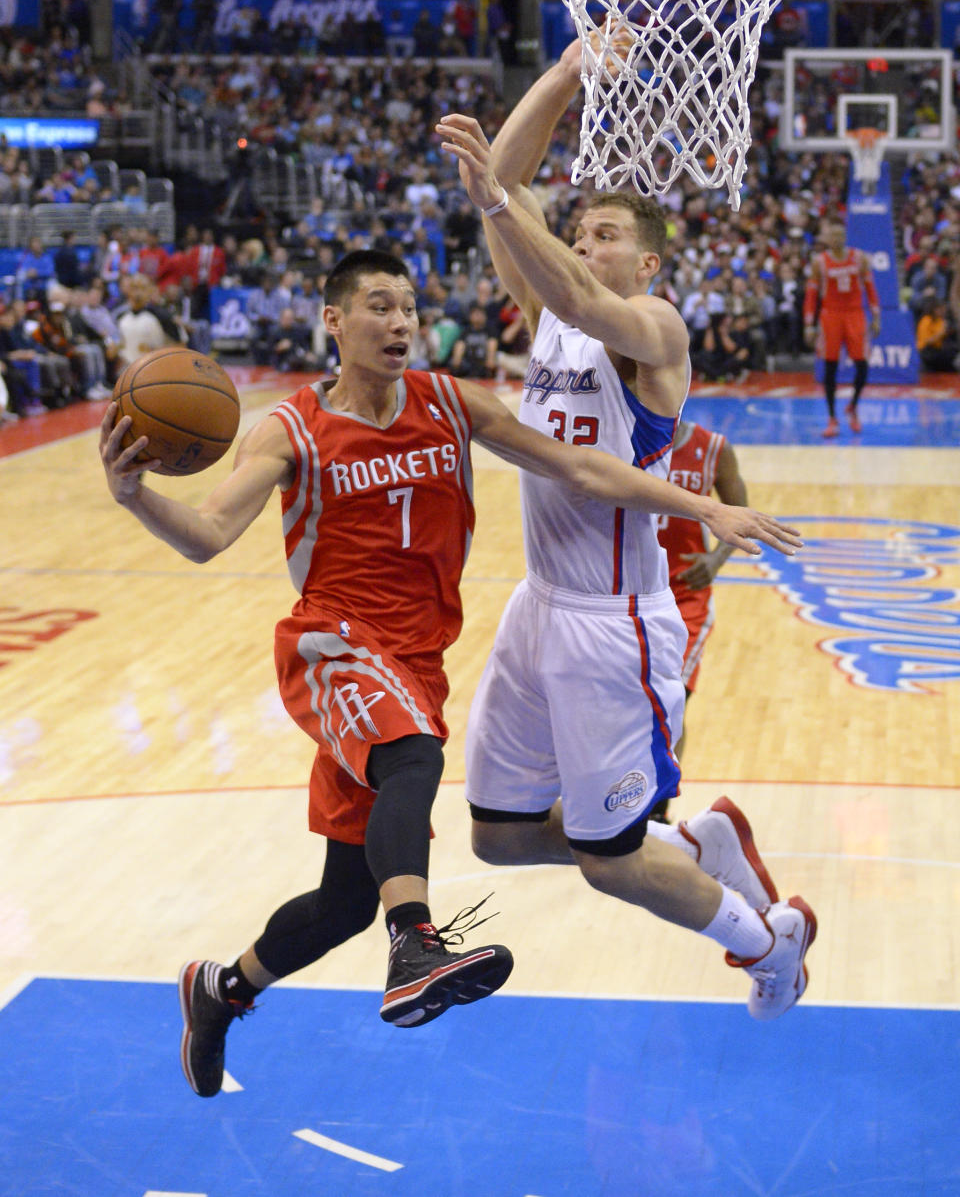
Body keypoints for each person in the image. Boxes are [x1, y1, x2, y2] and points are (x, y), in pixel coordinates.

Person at [99, 248, 801, 1097]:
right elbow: (209, 533)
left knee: (344, 899)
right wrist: (135, 495)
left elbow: (579, 466)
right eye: (378, 308)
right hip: (336, 647)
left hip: (415, 657)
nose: (400, 323)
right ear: (333, 321)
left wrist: (703, 506)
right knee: (414, 758)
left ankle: (222, 990)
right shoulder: (290, 430)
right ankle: (416, 944)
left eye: (409, 308)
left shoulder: (451, 402)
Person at [435, 35, 816, 1027]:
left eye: (605, 232)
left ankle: (768, 939)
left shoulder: (656, 327)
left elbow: (565, 274)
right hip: (539, 606)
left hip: (619, 620)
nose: (586, 239)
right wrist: (564, 75)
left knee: (607, 863)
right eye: (582, 226)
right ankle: (696, 850)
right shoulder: (549, 315)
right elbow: (506, 187)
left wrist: (499, 199)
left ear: (644, 260)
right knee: (500, 834)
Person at [650, 419, 749, 822]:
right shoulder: (622, 436)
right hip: (628, 593)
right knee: (629, 706)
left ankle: (658, 811)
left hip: (685, 595)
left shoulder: (714, 449)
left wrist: (717, 558)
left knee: (672, 702)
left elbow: (738, 513)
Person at [803, 218, 880, 438]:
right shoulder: (820, 262)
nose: (835, 239)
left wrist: (876, 316)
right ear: (827, 239)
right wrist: (809, 324)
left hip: (855, 314)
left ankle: (853, 406)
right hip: (831, 316)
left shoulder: (860, 258)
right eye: (831, 236)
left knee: (862, 366)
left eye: (839, 235)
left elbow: (871, 289)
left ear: (845, 237)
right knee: (830, 368)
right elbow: (811, 296)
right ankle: (832, 418)